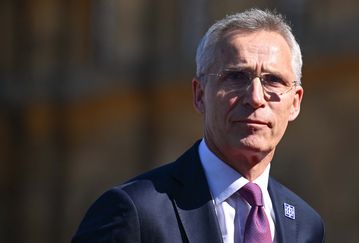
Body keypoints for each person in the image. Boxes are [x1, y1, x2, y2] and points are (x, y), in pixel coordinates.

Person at [72, 8, 324, 243]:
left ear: (295, 102)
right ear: (200, 94)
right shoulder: (135, 211)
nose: (256, 98)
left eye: (273, 80)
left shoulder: (305, 225)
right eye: (236, 76)